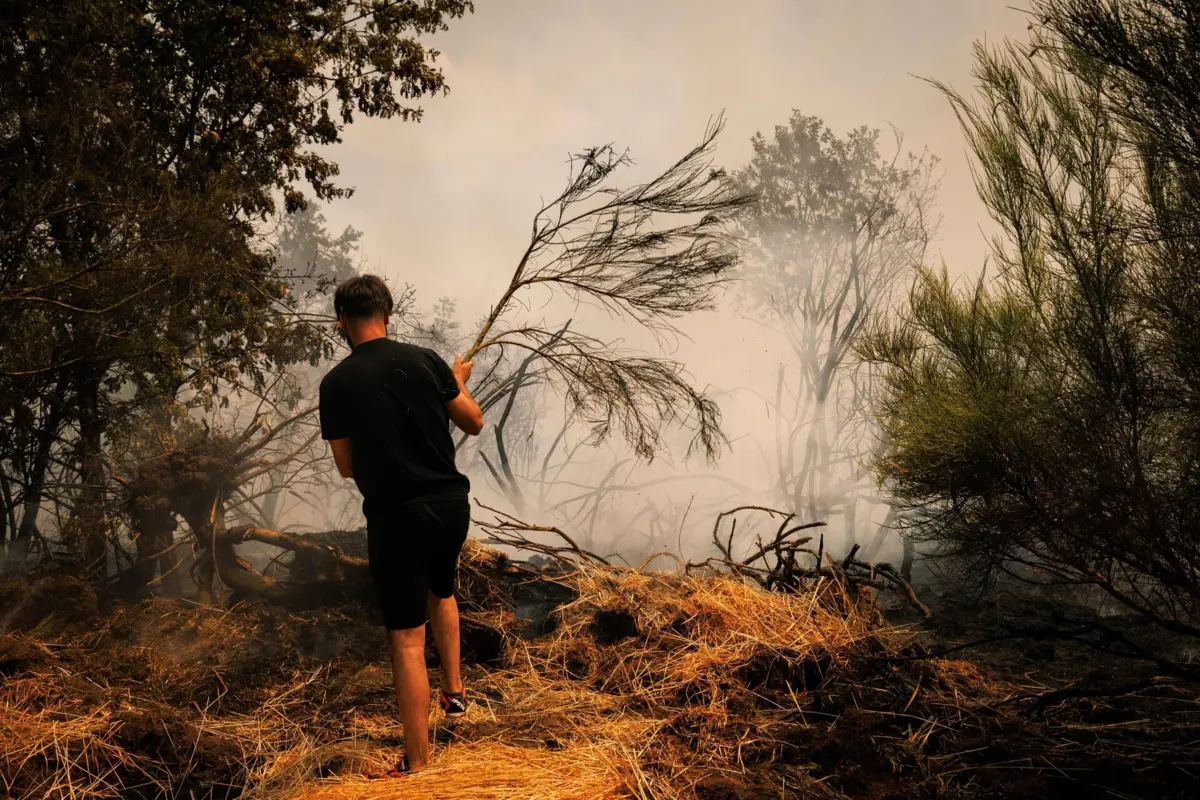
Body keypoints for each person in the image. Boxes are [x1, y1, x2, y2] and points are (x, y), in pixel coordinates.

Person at [318, 274, 484, 775]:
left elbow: (346, 467)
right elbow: (472, 421)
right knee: (442, 587)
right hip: (451, 505)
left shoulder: (337, 384)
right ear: (387, 315)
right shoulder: (426, 360)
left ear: (342, 322)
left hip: (397, 515)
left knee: (408, 640)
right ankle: (454, 694)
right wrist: (454, 381)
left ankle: (416, 762)